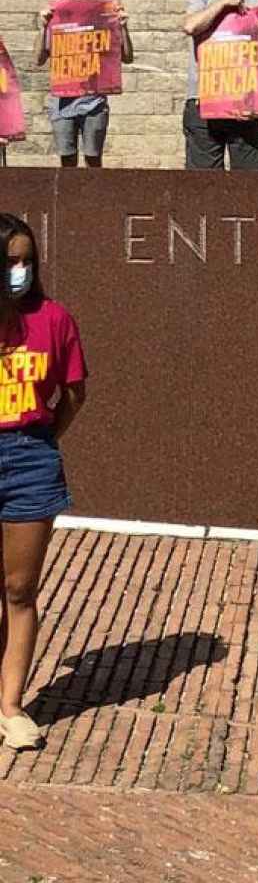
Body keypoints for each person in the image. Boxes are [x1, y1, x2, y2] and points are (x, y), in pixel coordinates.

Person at [0, 213, 88, 751]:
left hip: (31, 457)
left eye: (28, 259)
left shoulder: (53, 319)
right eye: (11, 260)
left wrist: (45, 435)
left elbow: (74, 392)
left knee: (19, 589)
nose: (22, 270)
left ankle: (10, 706)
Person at [181, 0, 258, 170]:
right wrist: (224, 4)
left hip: (244, 104)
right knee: (204, 181)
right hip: (203, 100)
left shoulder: (255, 1)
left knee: (251, 179)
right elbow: (191, 26)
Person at [34, 0, 133, 168]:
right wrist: (43, 27)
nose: (79, 1)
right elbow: (38, 60)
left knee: (93, 159)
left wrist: (123, 27)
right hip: (62, 103)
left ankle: (94, 196)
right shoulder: (54, 24)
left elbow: (127, 58)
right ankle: (69, 197)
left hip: (94, 102)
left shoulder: (100, 22)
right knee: (67, 160)